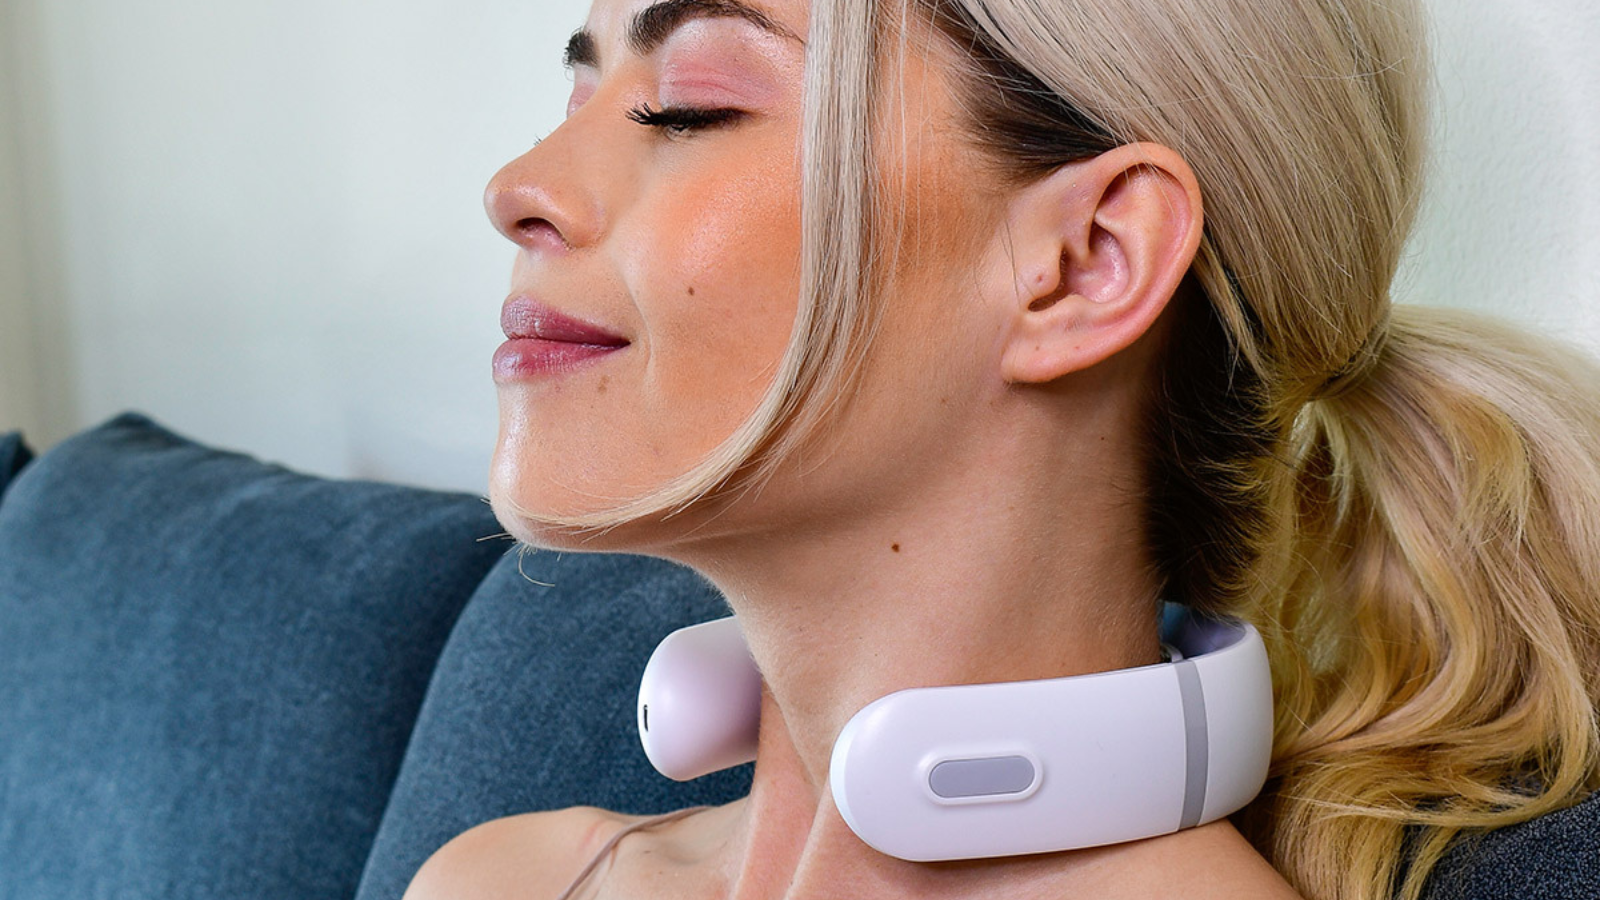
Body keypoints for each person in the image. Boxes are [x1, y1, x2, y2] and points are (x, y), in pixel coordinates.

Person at [406, 0, 1600, 897]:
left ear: (1086, 265)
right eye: (579, 102)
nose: (518, 187)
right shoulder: (501, 877)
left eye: (689, 105)